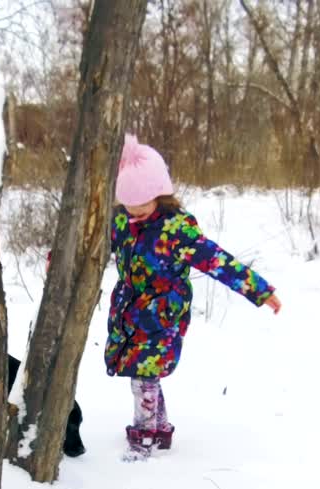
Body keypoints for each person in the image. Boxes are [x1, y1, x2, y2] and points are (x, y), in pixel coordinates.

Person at [106, 134, 282, 461]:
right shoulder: (120, 222)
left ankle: (143, 441)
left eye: (142, 205)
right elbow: (93, 244)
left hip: (163, 315)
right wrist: (56, 259)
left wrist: (259, 290)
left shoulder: (177, 229)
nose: (135, 213)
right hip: (130, 312)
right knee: (146, 373)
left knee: (144, 376)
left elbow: (217, 261)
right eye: (129, 206)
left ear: (161, 194)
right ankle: (158, 431)